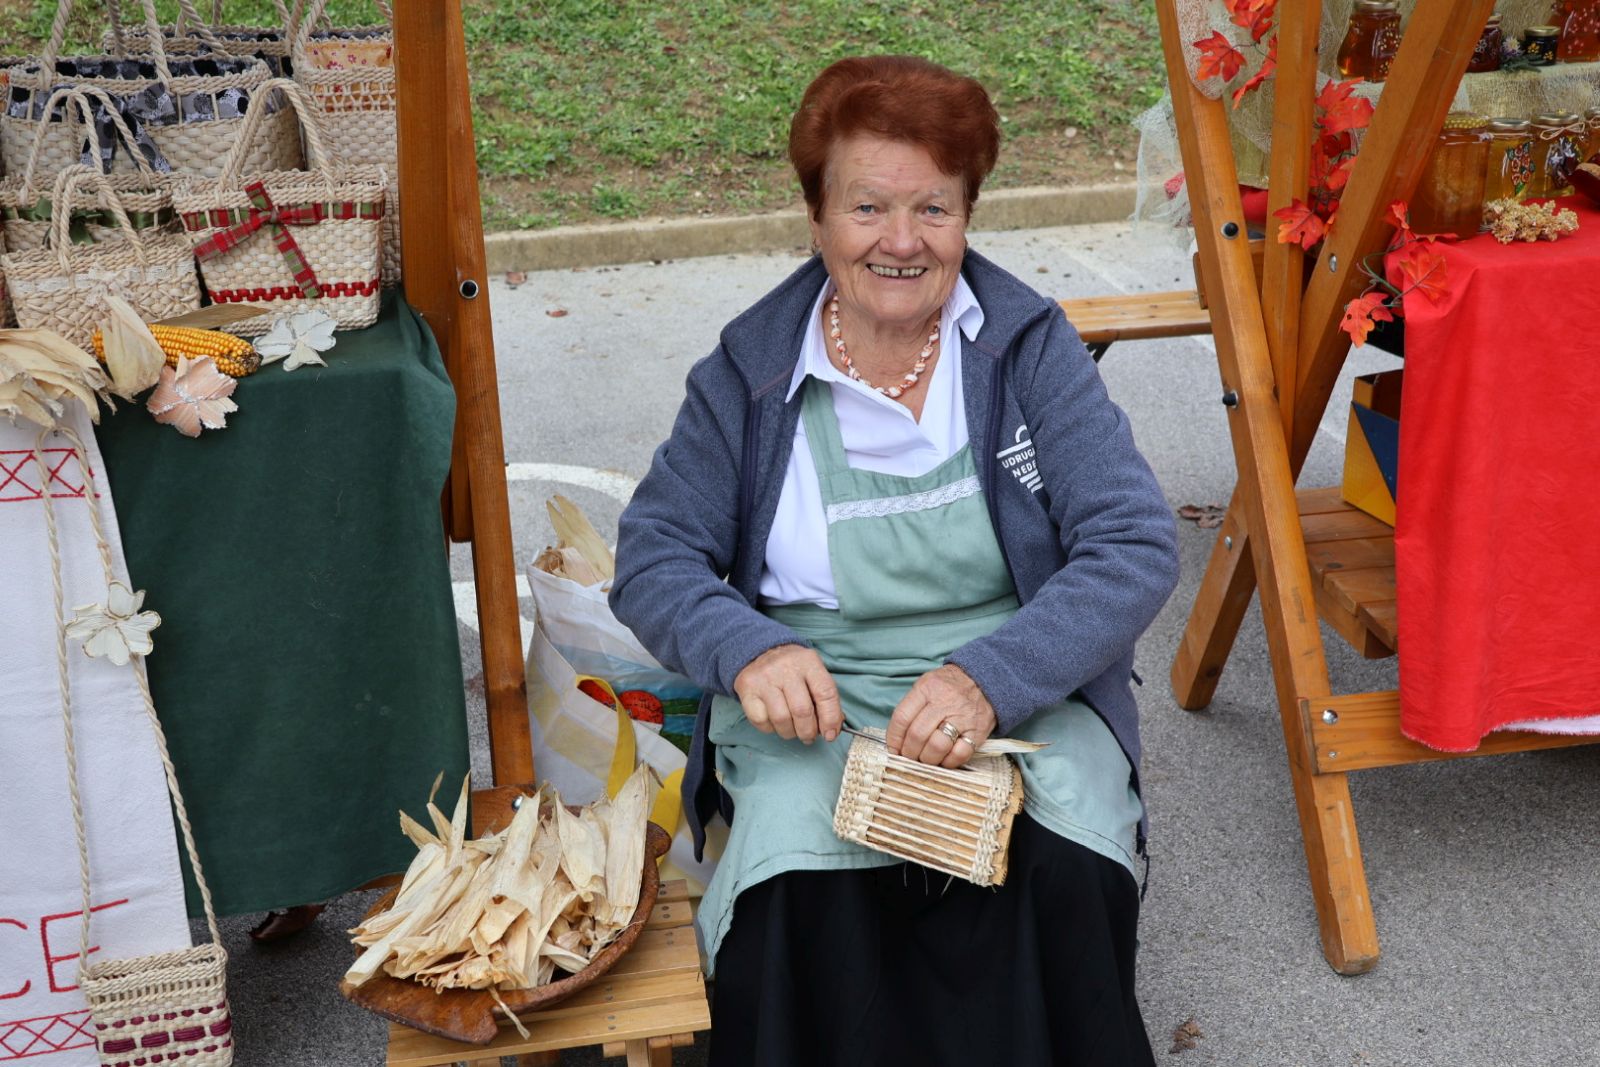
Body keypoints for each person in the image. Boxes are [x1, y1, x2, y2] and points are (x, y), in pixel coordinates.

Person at [610, 54, 1179, 1067]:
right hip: (815, 693)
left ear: (968, 215)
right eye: (868, 206)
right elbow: (654, 552)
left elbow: (1133, 541)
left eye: (935, 209)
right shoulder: (750, 369)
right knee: (801, 881)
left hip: (1017, 681)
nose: (902, 241)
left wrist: (989, 678)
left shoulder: (1025, 348)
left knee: (1058, 864)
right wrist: (746, 648)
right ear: (818, 216)